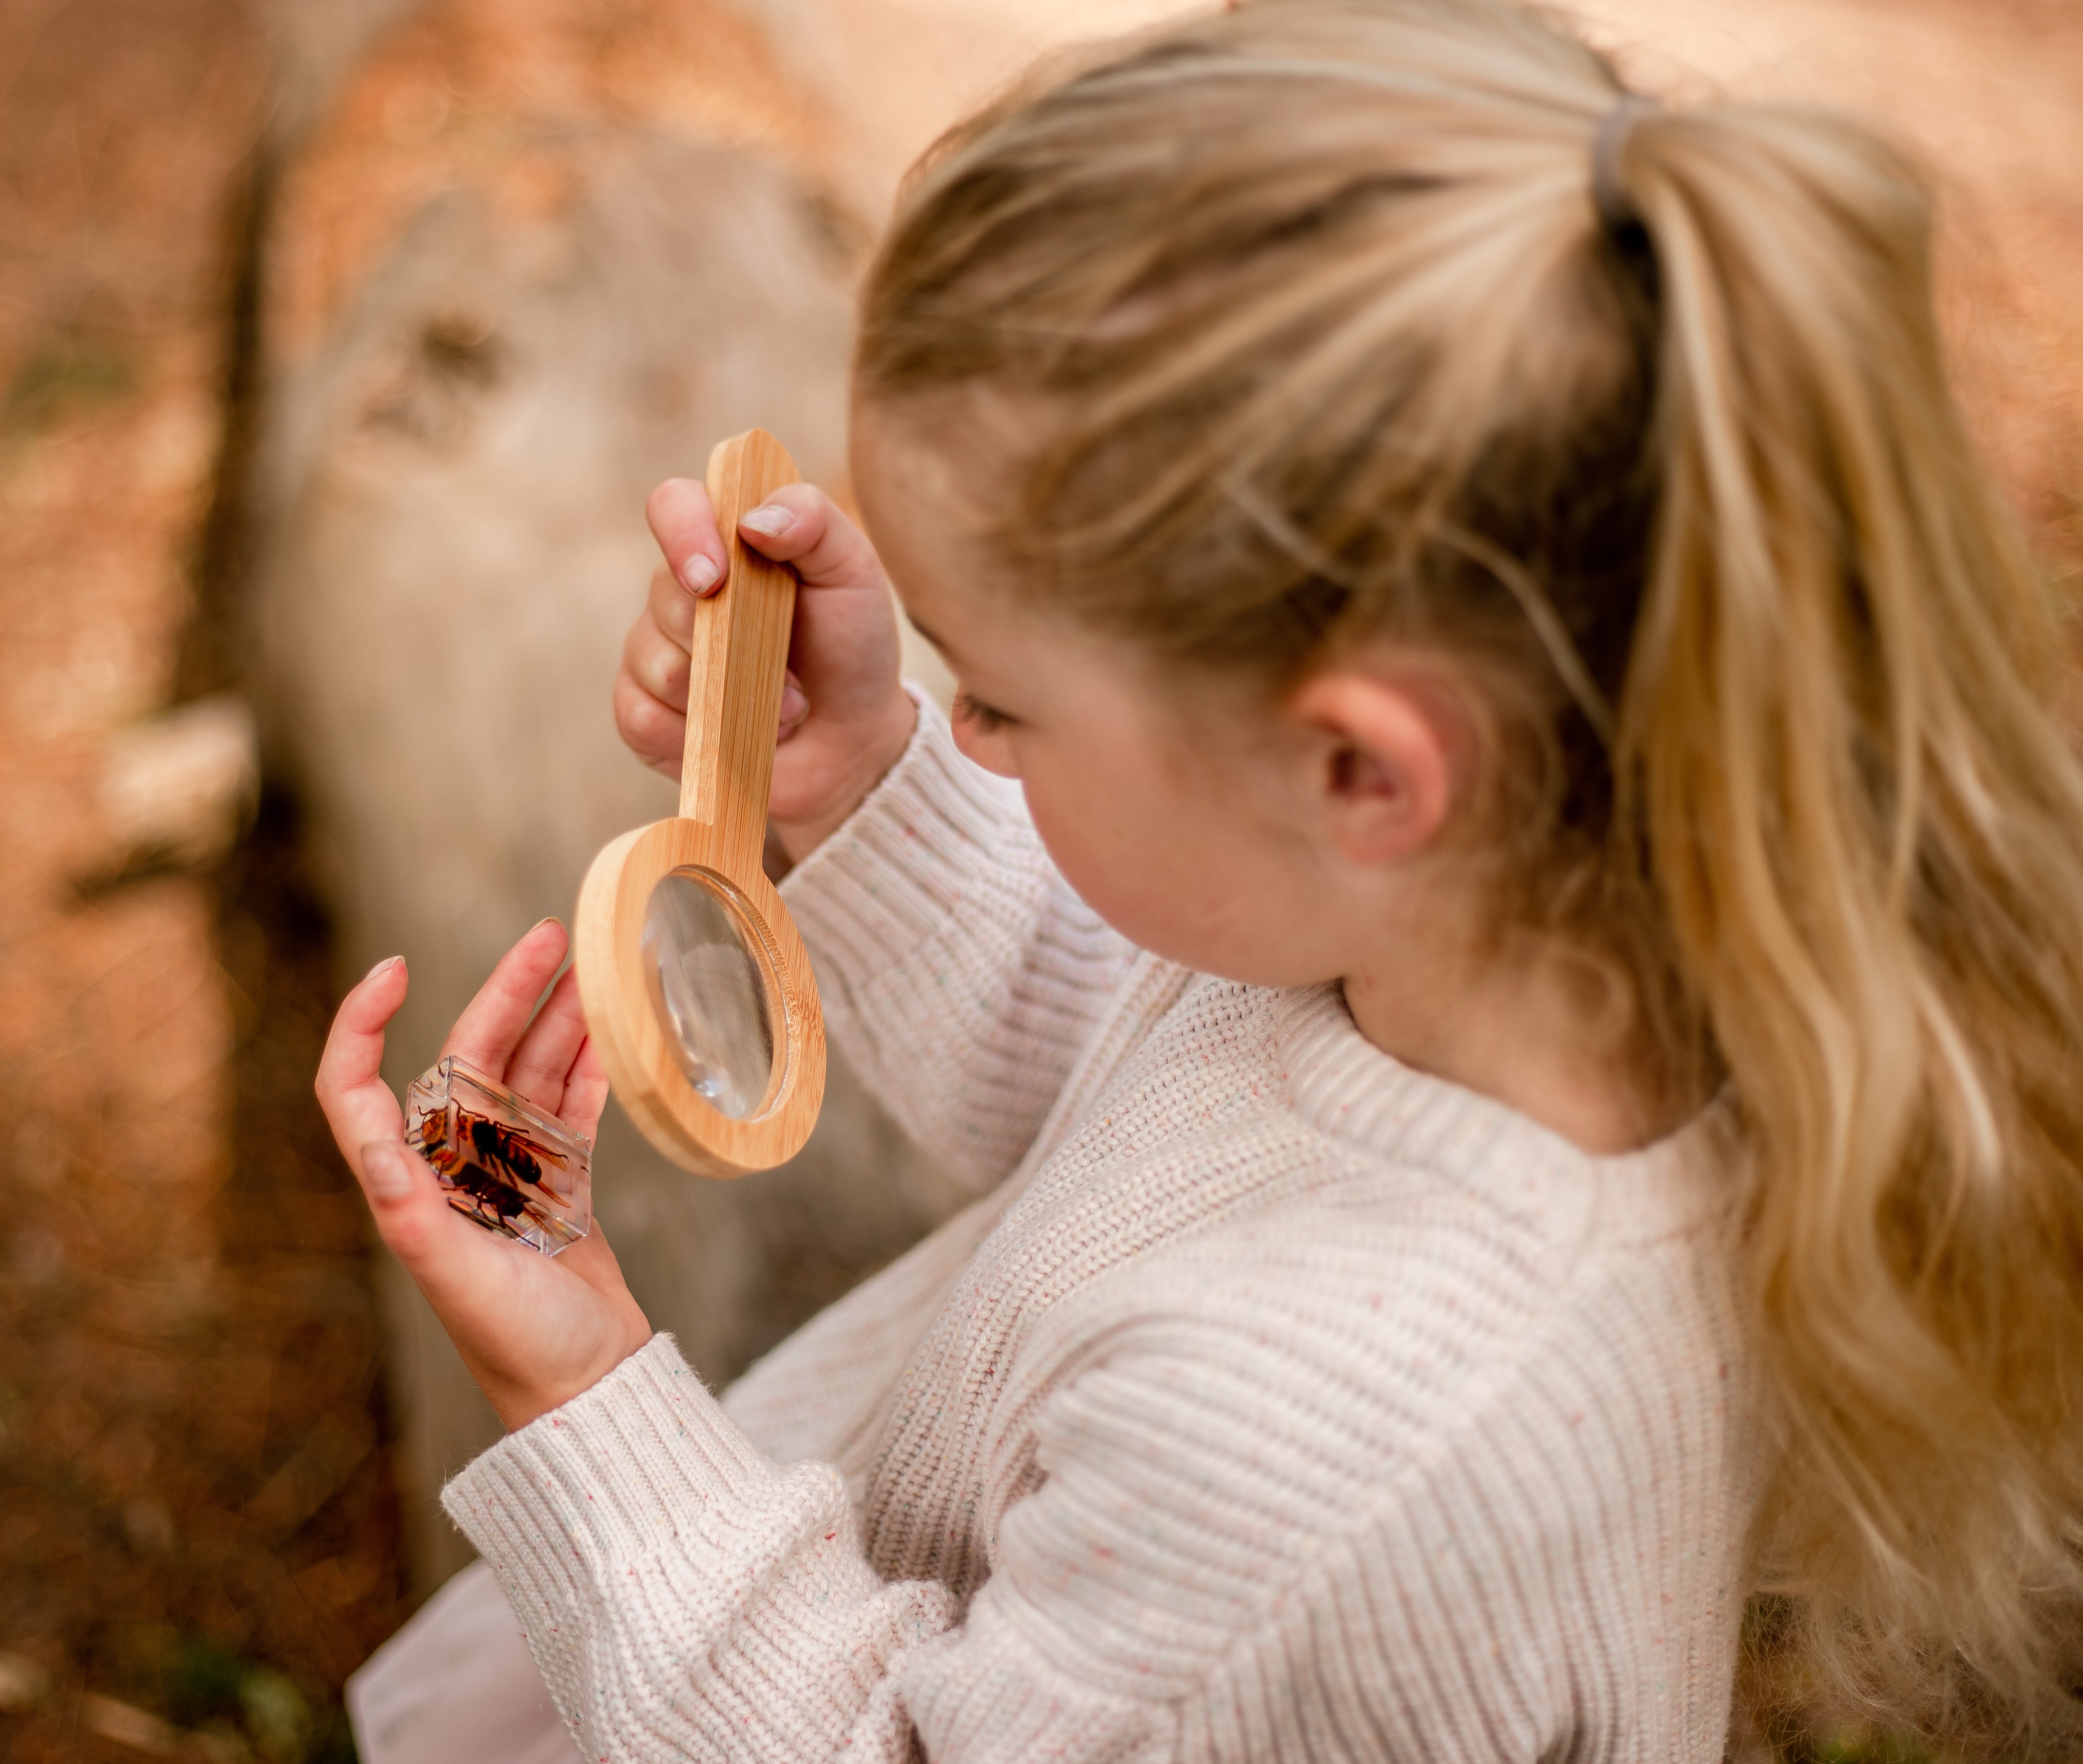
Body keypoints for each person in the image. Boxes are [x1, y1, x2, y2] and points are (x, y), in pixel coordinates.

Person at [314, 0, 2083, 1755]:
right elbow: (1146, 1108)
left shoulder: (1328, 1473)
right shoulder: (1541, 927)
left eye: (998, 694)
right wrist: (858, 773)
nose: (973, 733)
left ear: (1362, 769)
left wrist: (587, 1394)